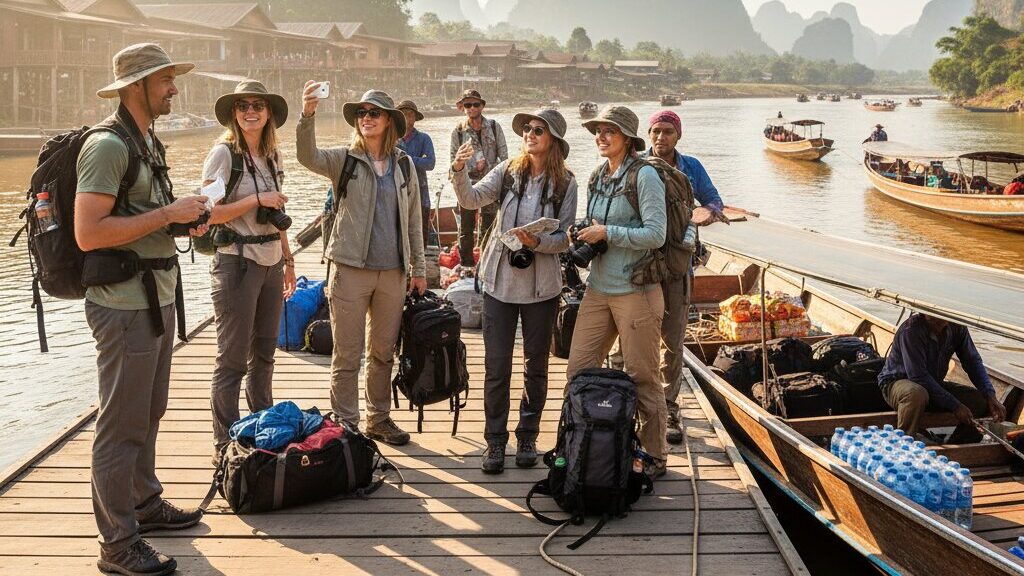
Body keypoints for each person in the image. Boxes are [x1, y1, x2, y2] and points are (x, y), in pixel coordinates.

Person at [74, 43, 206, 576]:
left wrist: (181, 219)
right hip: (124, 305)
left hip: (156, 296)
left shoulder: (146, 140)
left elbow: (141, 215)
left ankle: (144, 504)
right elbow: (88, 234)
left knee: (148, 413)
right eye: (166, 80)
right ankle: (117, 545)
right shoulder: (107, 146)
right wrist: (168, 214)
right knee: (120, 425)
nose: (175, 88)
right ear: (137, 87)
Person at [297, 85, 426, 446]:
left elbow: (414, 219)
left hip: (394, 272)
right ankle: (347, 424)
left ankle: (379, 419)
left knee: (383, 352)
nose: (366, 118)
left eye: (374, 113)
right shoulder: (345, 160)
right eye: (361, 113)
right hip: (350, 269)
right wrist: (307, 116)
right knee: (347, 353)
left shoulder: (404, 165)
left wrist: (419, 268)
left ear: (388, 121)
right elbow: (307, 156)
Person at [450, 109, 577, 474]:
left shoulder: (567, 182)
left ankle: (527, 435)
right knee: (496, 366)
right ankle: (494, 441)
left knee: (536, 366)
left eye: (539, 130)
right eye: (527, 129)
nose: (530, 134)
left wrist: (536, 241)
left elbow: (565, 238)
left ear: (553, 139)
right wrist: (458, 172)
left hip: (542, 288)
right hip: (499, 284)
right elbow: (471, 199)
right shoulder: (507, 170)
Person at [565, 106, 669, 478]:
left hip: (635, 291)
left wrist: (608, 232)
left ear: (628, 138)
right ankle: (584, 439)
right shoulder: (597, 176)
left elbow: (657, 234)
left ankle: (655, 455)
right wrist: (582, 234)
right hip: (598, 288)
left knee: (643, 376)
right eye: (598, 130)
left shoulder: (645, 176)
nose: (601, 136)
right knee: (578, 369)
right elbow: (595, 224)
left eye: (610, 131)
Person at [203, 80, 296, 464]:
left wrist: (289, 260)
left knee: (264, 353)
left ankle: (263, 429)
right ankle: (225, 445)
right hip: (236, 263)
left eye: (258, 104)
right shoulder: (224, 154)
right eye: (242, 106)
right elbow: (206, 213)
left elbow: (276, 219)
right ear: (234, 114)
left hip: (271, 261)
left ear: (268, 112)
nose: (250, 111)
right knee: (232, 360)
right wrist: (256, 199)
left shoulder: (271, 155)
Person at [644, 110, 728, 445]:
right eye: (655, 131)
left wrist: (706, 214)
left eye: (667, 132)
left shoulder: (690, 167)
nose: (661, 138)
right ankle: (640, 403)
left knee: (672, 338)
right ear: (648, 135)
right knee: (637, 335)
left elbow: (714, 201)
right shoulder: (638, 165)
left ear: (678, 135)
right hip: (642, 264)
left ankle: (668, 407)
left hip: (679, 264)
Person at [878, 313, 1006, 443]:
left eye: (941, 318)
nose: (936, 321)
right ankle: (904, 442)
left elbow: (972, 362)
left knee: (979, 400)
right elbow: (918, 376)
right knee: (916, 393)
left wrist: (990, 395)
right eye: (931, 317)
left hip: (932, 385)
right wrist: (955, 405)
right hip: (898, 383)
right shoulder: (910, 330)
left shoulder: (957, 327)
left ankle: (957, 442)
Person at [450, 89, 508, 267]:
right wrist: (470, 167)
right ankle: (467, 265)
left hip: (490, 185)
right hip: (467, 186)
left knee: (489, 226)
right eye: (467, 105)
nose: (472, 108)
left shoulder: (494, 126)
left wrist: (500, 179)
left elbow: (505, 157)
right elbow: (453, 163)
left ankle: (485, 265)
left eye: (475, 104)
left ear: (482, 106)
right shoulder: (458, 132)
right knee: (466, 229)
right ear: (463, 108)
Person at [397, 100, 436, 247]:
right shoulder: (391, 139)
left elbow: (431, 163)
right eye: (403, 114)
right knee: (398, 238)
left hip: (420, 193)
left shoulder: (423, 138)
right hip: (396, 194)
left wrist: (406, 159)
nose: (407, 118)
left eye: (410, 114)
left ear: (415, 118)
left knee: (420, 239)